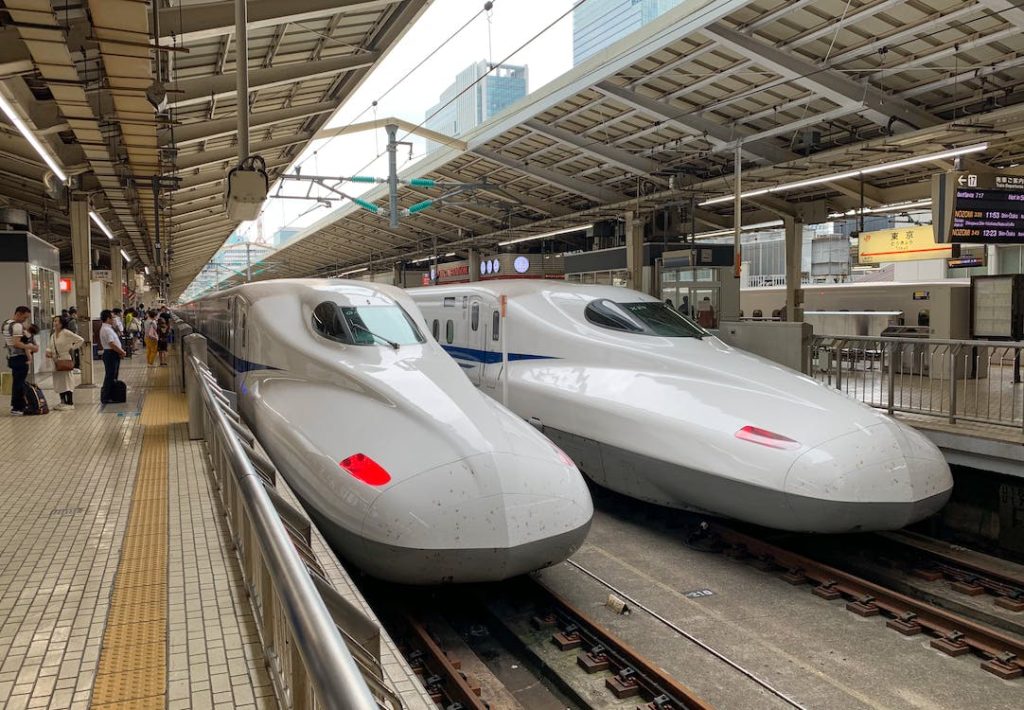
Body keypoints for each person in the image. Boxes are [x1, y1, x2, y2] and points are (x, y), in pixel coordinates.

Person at [47, 314, 85, 410]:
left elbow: (80, 340)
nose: (55, 323)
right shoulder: (53, 335)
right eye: (54, 321)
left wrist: (71, 347)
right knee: (59, 381)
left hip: (65, 358)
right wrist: (48, 351)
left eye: (57, 321)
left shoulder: (66, 333)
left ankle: (70, 402)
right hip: (55, 360)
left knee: (67, 381)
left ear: (61, 323)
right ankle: (62, 401)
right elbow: (50, 346)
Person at [4, 306, 37, 416]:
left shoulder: (6, 323)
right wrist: (31, 347)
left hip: (11, 357)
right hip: (19, 358)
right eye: (24, 317)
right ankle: (18, 407)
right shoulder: (17, 326)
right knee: (19, 383)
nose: (25, 320)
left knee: (17, 381)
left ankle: (16, 406)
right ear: (18, 314)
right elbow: (16, 343)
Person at [99, 309, 126, 403]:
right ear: (107, 319)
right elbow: (112, 344)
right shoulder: (106, 329)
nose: (114, 319)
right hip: (110, 354)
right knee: (110, 376)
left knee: (112, 375)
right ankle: (105, 397)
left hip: (112, 353)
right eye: (112, 317)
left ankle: (111, 395)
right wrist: (121, 351)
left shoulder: (108, 328)